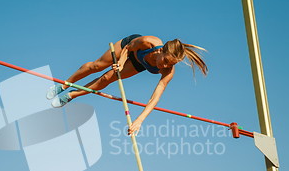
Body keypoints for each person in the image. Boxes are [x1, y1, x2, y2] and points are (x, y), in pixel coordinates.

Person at [46, 34, 208, 135]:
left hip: (139, 64)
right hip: (129, 48)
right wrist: (121, 63)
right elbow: (129, 48)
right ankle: (65, 85)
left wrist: (139, 120)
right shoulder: (148, 42)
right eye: (165, 61)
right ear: (161, 51)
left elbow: (154, 99)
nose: (165, 66)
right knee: (97, 66)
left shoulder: (168, 72)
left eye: (169, 65)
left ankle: (71, 95)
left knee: (107, 79)